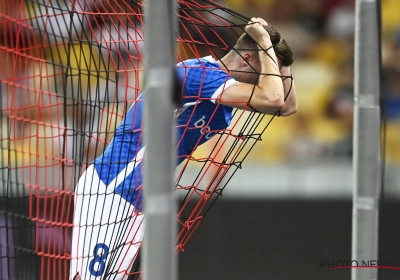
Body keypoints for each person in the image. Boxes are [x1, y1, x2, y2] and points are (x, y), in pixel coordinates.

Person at [70, 17, 297, 280]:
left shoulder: (224, 89)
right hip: (113, 187)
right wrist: (265, 45)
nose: (267, 80)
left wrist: (278, 56)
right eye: (265, 72)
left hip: (138, 196)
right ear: (247, 58)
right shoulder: (203, 76)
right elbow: (273, 98)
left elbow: (287, 107)